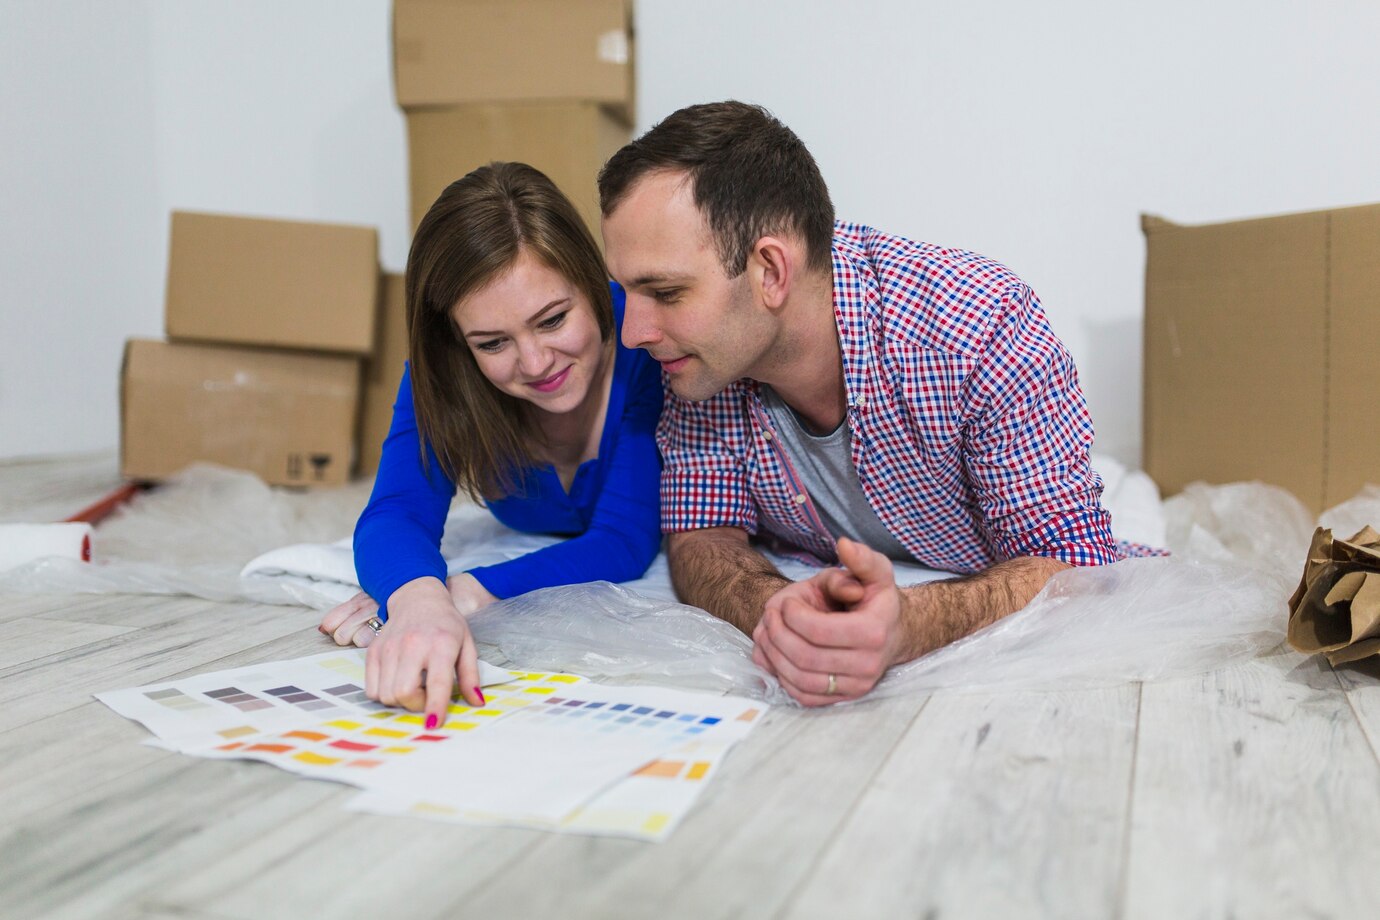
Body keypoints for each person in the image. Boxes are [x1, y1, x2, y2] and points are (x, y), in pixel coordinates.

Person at [598, 101, 1127, 708]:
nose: (634, 331)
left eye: (665, 292)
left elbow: (1077, 567)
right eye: (628, 292)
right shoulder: (701, 360)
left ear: (771, 270)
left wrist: (911, 622)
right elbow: (700, 532)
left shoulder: (977, 329)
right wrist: (779, 611)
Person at [320, 162, 662, 728]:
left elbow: (624, 540)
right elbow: (396, 511)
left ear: (594, 279)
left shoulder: (646, 337)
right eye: (493, 342)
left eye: (553, 320)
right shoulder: (446, 374)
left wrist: (464, 592)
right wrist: (416, 598)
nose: (535, 363)